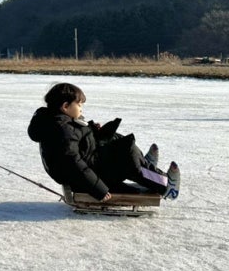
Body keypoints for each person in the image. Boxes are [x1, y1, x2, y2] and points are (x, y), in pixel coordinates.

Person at [28, 82, 180, 202]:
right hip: (90, 176)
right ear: (65, 106)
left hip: (93, 164)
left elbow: (78, 140)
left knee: (116, 138)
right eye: (79, 104)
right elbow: (72, 163)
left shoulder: (59, 122)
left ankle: (146, 167)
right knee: (127, 154)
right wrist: (98, 189)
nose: (81, 108)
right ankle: (166, 186)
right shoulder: (61, 129)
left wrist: (92, 129)